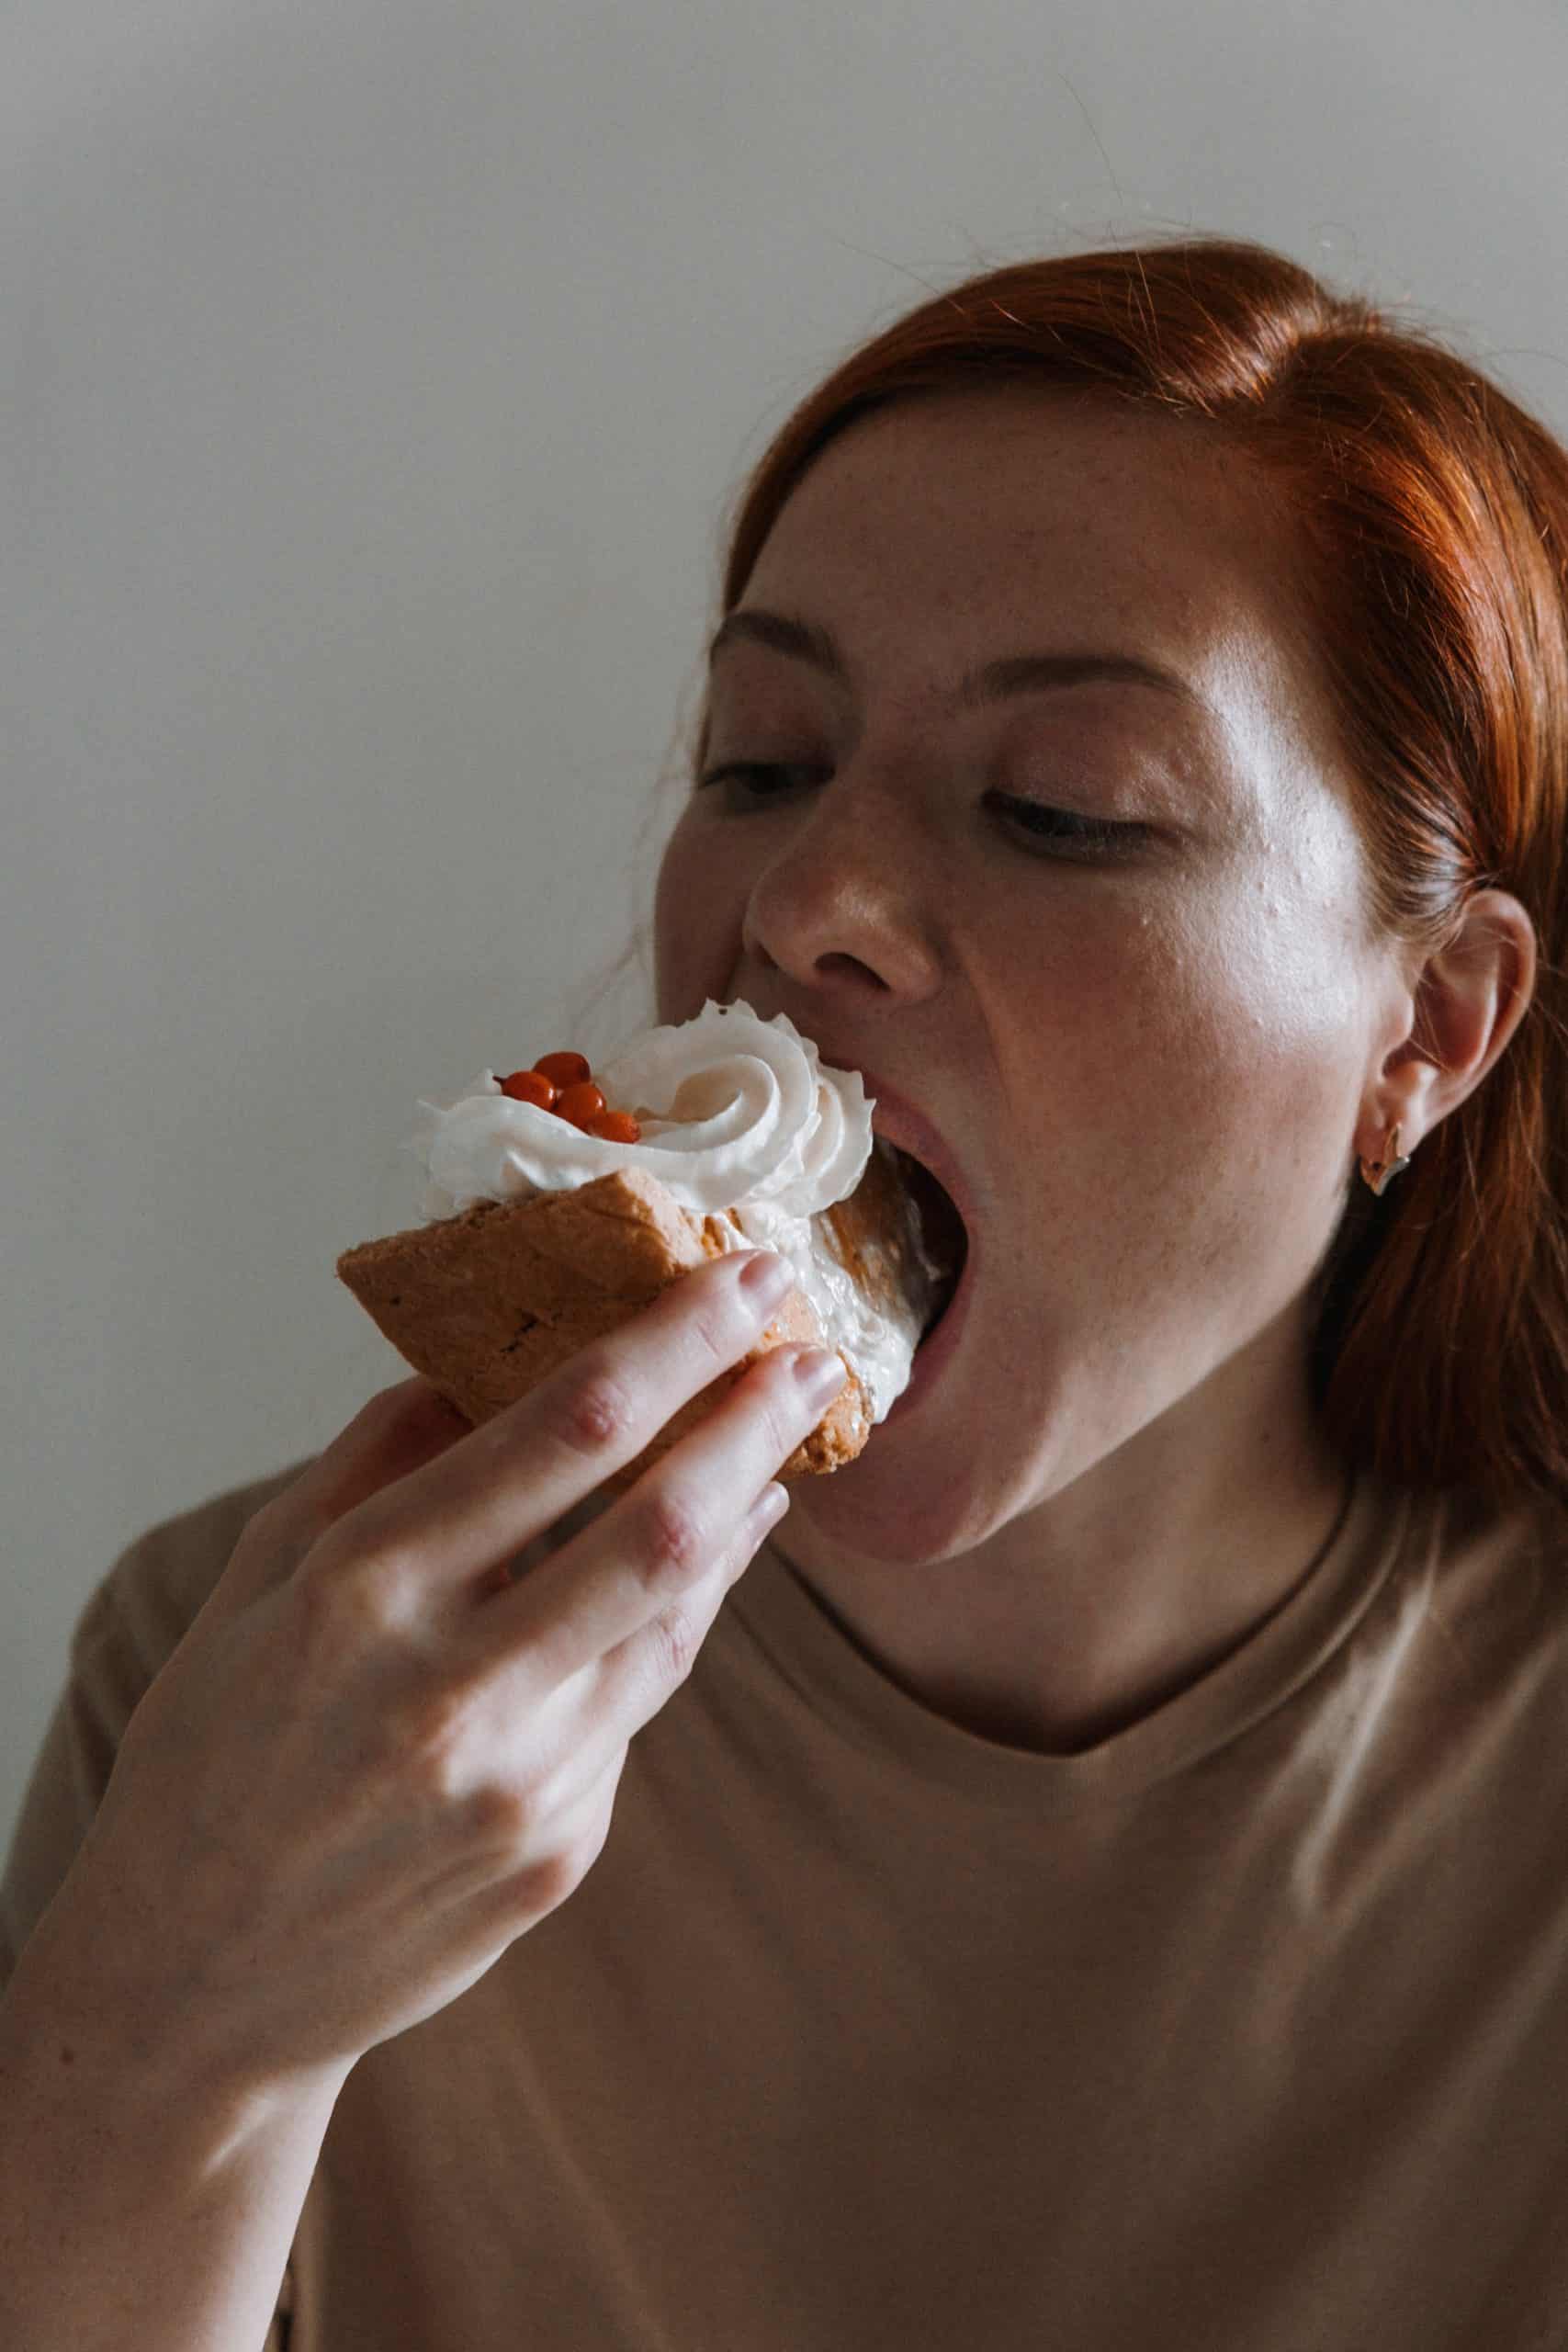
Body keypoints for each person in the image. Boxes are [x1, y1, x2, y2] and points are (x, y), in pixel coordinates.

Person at [3, 232, 1567, 2348]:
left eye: (1057, 808)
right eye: (756, 760)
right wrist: (171, 2051)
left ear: (1427, 1028)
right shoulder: (258, 1697)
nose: (800, 900)